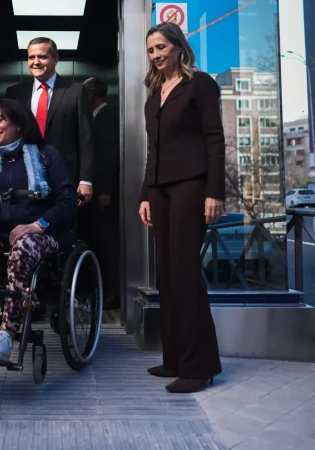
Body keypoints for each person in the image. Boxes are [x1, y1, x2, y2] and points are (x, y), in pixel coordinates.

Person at [138, 22, 225, 394]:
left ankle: (199, 366)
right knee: (166, 275)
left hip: (192, 185)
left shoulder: (200, 84)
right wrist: (144, 194)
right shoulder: (154, 94)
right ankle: (174, 358)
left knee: (186, 273)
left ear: (178, 46)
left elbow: (214, 139)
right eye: (151, 51)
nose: (156, 55)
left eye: (161, 48)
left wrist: (214, 192)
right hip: (159, 190)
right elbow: (151, 151)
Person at [0, 98, 77, 362]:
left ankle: (7, 334)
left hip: (43, 234)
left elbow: (67, 202)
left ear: (20, 126)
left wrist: (37, 225)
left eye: (0, 119)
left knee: (24, 245)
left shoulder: (47, 155)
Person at [5, 36, 94, 207]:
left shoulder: (75, 91)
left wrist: (86, 180)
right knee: (25, 229)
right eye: (31, 57)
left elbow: (86, 139)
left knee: (62, 227)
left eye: (42, 57)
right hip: (22, 175)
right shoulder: (14, 93)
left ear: (56, 59)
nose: (36, 62)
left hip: (64, 176)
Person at [83, 77, 121, 309]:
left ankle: (112, 293)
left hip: (103, 195)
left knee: (106, 245)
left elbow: (109, 155)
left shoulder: (108, 117)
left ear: (92, 93)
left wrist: (106, 190)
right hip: (94, 193)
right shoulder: (95, 117)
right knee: (97, 242)